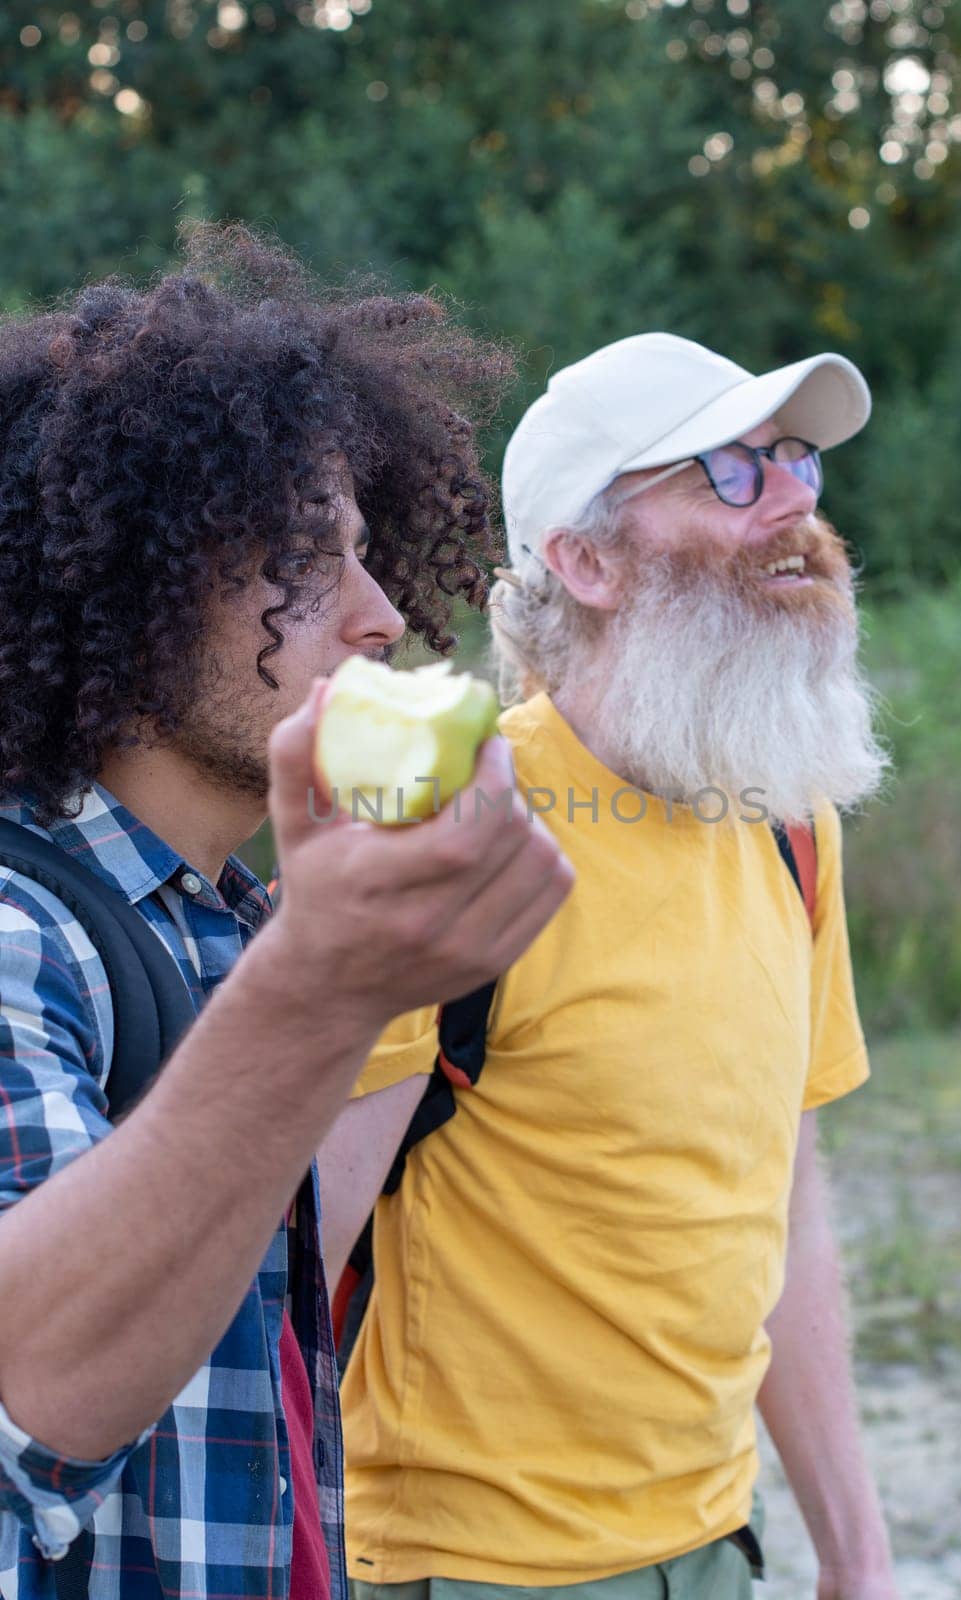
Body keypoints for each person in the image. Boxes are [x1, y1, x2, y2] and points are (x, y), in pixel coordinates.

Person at [0, 226, 573, 1600]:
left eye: (371, 554)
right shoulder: (21, 924)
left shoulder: (237, 924)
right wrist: (324, 985)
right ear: (133, 574)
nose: (382, 617)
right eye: (307, 557)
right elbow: (36, 1387)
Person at [322, 334, 900, 1600]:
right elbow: (290, 1252)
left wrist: (854, 1550)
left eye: (795, 460)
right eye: (729, 474)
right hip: (478, 1570)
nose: (797, 500)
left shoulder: (786, 815)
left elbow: (778, 1186)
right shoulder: (450, 816)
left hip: (713, 1546)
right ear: (584, 563)